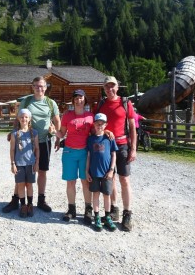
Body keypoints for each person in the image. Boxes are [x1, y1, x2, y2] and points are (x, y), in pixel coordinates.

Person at [3, 76, 61, 213]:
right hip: (26, 142)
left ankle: (41, 200)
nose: (39, 88)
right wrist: (13, 133)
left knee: (42, 171)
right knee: (21, 170)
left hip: (44, 141)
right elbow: (18, 119)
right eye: (36, 86)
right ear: (32, 87)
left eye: (42, 86)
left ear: (46, 88)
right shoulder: (27, 101)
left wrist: (57, 137)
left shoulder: (51, 103)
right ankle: (15, 200)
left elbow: (57, 120)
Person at [95, 76, 136, 232]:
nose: (109, 89)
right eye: (107, 86)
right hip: (106, 145)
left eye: (112, 86)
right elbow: (96, 124)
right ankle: (114, 208)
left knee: (124, 179)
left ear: (117, 87)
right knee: (109, 177)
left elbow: (132, 127)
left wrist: (133, 148)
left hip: (123, 144)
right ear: (104, 88)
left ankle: (127, 212)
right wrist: (104, 131)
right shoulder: (101, 104)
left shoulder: (125, 103)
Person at [54, 89, 94, 224]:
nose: (78, 100)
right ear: (73, 101)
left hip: (85, 153)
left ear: (85, 100)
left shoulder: (90, 116)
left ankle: (88, 209)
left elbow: (96, 133)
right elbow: (62, 134)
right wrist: (54, 131)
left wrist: (107, 132)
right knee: (71, 182)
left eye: (81, 98)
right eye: (76, 98)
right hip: (69, 152)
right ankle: (72, 209)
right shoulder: (67, 116)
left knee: (85, 181)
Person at [86, 113, 118, 232]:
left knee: (106, 195)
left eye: (102, 124)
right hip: (94, 172)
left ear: (106, 125)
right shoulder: (90, 139)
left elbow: (113, 154)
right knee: (95, 194)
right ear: (94, 124)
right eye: (97, 123)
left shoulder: (109, 138)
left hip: (107, 173)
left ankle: (108, 217)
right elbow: (88, 156)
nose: (99, 126)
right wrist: (87, 171)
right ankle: (97, 216)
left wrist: (111, 170)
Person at [9, 109, 39, 217]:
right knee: (21, 185)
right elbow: (12, 150)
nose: (24, 119)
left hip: (31, 164)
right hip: (19, 164)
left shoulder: (34, 133)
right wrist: (12, 163)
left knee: (29, 185)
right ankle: (23, 205)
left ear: (29, 119)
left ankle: (30, 204)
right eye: (22, 117)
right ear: (18, 118)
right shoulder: (14, 133)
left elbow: (37, 149)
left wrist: (37, 163)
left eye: (26, 117)